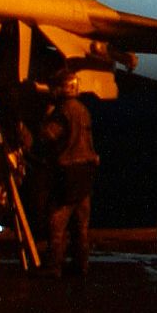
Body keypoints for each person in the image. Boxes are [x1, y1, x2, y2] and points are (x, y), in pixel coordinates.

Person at [39, 71, 99, 277]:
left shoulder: (62, 111)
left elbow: (49, 135)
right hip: (86, 172)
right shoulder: (83, 111)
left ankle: (53, 266)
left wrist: (45, 116)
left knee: (57, 222)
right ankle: (82, 265)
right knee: (81, 225)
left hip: (69, 172)